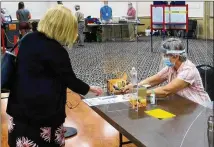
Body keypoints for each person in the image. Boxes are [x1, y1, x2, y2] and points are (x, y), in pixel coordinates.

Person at [7, 5, 103, 147]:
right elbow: (70, 79)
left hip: (19, 108)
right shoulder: (56, 50)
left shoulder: (28, 39)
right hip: (43, 114)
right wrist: (90, 88)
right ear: (63, 27)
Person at [124, 38, 211, 107]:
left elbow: (165, 91)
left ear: (176, 56)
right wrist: (136, 86)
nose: (163, 58)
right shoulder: (171, 66)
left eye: (166, 55)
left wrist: (139, 92)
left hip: (199, 107)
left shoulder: (188, 70)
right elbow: (153, 80)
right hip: (183, 103)